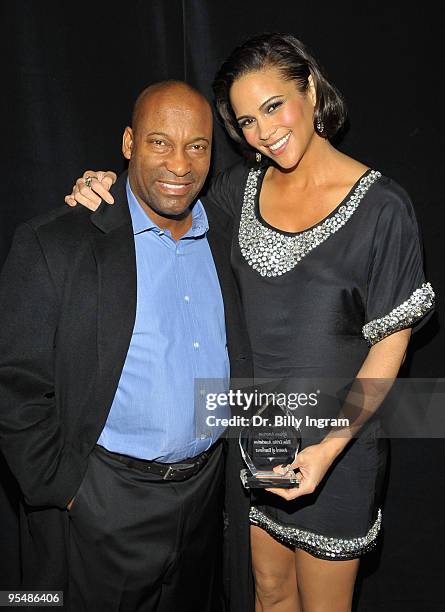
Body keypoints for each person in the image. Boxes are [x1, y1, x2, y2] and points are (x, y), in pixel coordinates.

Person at [66, 33, 435, 612]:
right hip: (254, 433)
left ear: (310, 89)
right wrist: (106, 186)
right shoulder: (238, 189)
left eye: (273, 106)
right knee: (266, 590)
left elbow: (390, 350)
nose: (263, 132)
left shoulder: (384, 208)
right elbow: (164, 200)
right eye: (246, 121)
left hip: (338, 447)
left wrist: (327, 450)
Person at [0, 80, 253, 611]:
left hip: (206, 497)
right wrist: (65, 490)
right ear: (128, 143)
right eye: (160, 142)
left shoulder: (228, 237)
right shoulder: (57, 243)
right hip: (103, 501)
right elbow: (14, 386)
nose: (180, 165)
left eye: (197, 145)